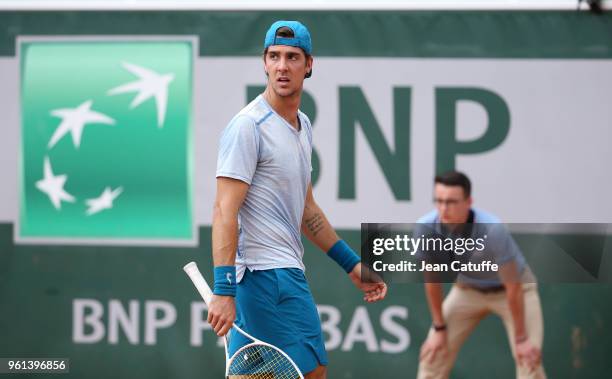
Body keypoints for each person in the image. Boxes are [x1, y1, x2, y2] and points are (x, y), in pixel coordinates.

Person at [206, 20, 387, 379]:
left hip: (282, 272)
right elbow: (224, 210)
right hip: (260, 275)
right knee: (310, 371)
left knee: (278, 374)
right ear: (264, 62)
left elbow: (307, 211)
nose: (282, 66)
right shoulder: (248, 127)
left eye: (292, 57)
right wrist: (223, 289)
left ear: (309, 65)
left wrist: (351, 264)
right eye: (274, 56)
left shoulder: (301, 125)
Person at [416, 171, 546, 379]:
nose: (443, 208)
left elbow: (513, 286)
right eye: (439, 201)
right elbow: (432, 280)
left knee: (528, 360)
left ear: (469, 202)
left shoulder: (492, 229)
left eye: (451, 202)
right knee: (433, 355)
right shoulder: (426, 228)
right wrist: (439, 327)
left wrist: (521, 339)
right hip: (467, 291)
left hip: (514, 291)